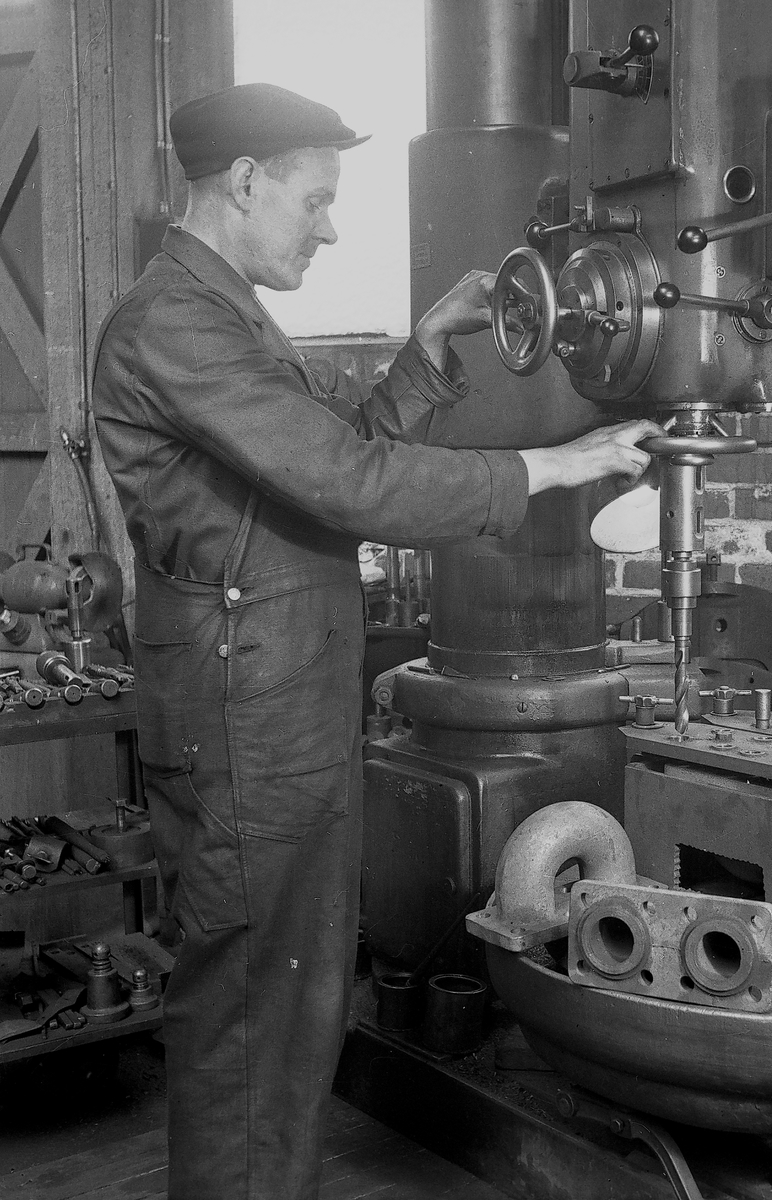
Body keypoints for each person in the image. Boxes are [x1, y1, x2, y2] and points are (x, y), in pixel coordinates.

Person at [91, 82, 659, 1200]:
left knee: (287, 1003)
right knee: (253, 1009)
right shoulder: (173, 325)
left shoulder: (225, 316)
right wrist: (551, 466)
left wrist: (428, 349)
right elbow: (347, 482)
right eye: (314, 200)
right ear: (242, 183)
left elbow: (325, 461)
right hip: (246, 716)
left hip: (273, 703)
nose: (329, 228)